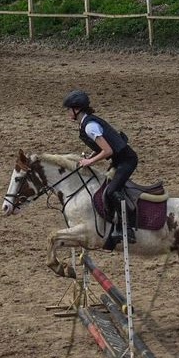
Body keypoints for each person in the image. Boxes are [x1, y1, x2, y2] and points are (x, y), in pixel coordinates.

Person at [62, 89, 138, 250]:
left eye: (69, 109)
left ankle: (128, 228)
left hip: (126, 161)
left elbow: (108, 151)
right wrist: (90, 157)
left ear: (77, 109)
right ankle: (114, 225)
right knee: (105, 188)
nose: (68, 112)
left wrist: (90, 161)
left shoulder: (90, 126)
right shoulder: (87, 123)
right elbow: (102, 148)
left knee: (111, 191)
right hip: (119, 160)